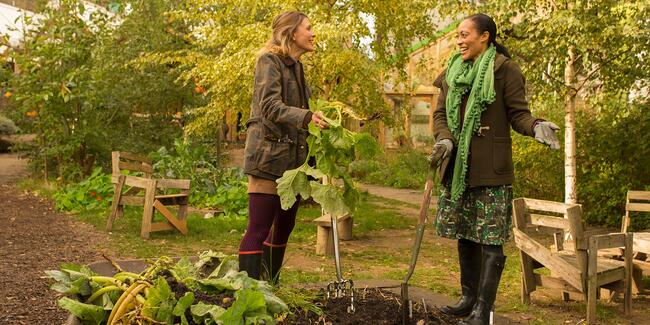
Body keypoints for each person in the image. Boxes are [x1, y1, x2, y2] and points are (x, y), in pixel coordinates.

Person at [431, 13, 560, 325]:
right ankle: (468, 299)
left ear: (484, 36)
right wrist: (445, 140)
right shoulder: (452, 70)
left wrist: (537, 126)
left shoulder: (505, 70)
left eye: (465, 35)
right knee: (466, 232)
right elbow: (439, 115)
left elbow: (519, 114)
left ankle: (483, 310)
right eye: (457, 36)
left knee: (490, 239)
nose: (459, 41)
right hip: (459, 167)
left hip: (491, 168)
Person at [239, 11, 328, 283]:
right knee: (259, 226)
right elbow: (269, 106)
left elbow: (303, 112)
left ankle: (270, 286)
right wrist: (305, 117)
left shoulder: (297, 67)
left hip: (294, 162)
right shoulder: (269, 60)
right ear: (291, 33)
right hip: (268, 156)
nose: (313, 34)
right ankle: (248, 292)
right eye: (309, 28)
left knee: (284, 227)